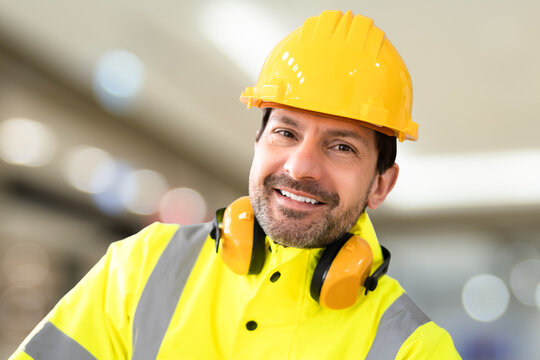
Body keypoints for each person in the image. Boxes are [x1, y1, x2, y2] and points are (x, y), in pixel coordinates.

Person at [10, 10, 462, 359]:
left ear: (381, 185)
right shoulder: (139, 267)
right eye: (285, 133)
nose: (301, 166)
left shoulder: (413, 348)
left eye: (341, 147)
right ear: (258, 142)